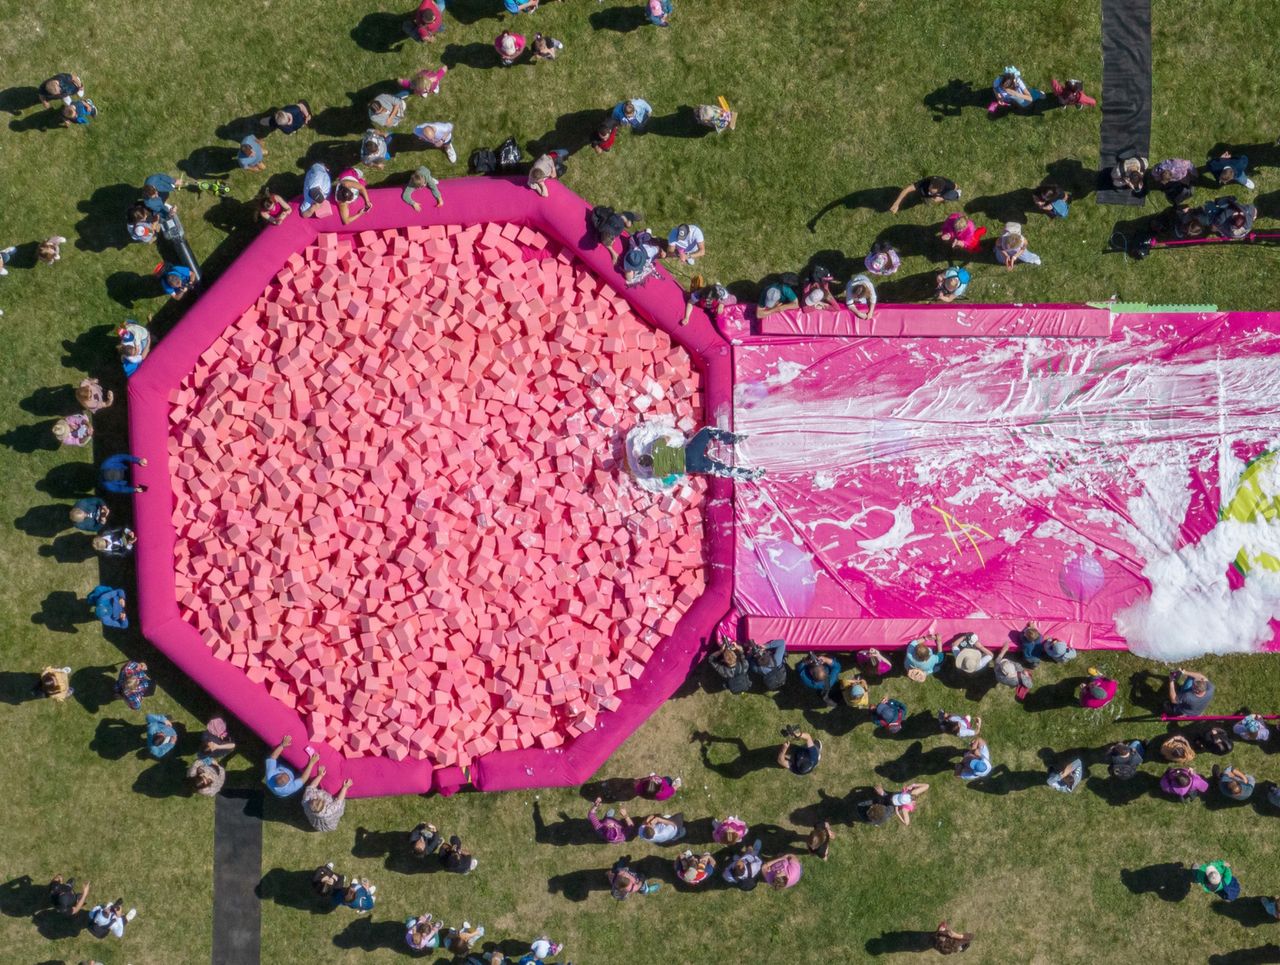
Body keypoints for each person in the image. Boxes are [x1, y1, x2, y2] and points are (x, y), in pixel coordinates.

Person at [637, 425, 764, 482]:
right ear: (648, 455)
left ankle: (749, 474)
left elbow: (668, 478)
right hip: (689, 453)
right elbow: (666, 437)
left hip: (691, 467)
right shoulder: (656, 448)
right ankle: (731, 438)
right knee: (707, 431)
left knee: (720, 469)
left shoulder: (657, 471)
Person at [889, 176, 961, 213]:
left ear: (940, 190)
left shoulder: (949, 185)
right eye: (930, 187)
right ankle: (924, 198)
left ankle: (927, 199)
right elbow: (907, 189)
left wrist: (942, 198)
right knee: (923, 193)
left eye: (932, 191)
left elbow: (957, 189)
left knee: (931, 198)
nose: (929, 190)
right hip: (924, 193)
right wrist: (897, 203)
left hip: (940, 195)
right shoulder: (927, 181)